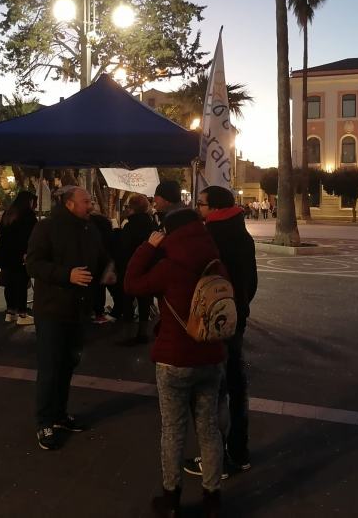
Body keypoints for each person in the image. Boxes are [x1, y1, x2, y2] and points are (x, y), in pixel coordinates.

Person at [125, 208, 226, 517]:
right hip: (210, 356)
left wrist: (148, 247)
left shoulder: (168, 266)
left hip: (174, 359)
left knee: (173, 429)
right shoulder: (216, 262)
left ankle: (171, 499)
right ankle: (212, 498)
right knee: (209, 428)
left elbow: (131, 284)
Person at [26, 186, 110, 451]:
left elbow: (99, 257)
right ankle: (45, 422)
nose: (92, 205)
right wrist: (67, 275)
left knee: (68, 365)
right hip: (52, 310)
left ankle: (60, 415)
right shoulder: (47, 228)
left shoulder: (90, 228)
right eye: (86, 201)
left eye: (91, 200)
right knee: (50, 367)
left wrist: (108, 269)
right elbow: (34, 264)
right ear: (70, 204)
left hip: (79, 310)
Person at [184, 186, 257, 481]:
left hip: (214, 325)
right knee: (236, 387)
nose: (198, 209)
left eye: (200, 204)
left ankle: (217, 460)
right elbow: (251, 283)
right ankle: (239, 453)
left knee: (214, 391)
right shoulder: (243, 235)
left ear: (214, 208)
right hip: (236, 320)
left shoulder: (210, 237)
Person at [116, 193, 157, 345]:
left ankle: (128, 335)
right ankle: (143, 333)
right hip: (148, 267)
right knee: (144, 301)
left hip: (130, 267)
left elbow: (123, 249)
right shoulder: (152, 224)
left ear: (132, 208)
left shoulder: (129, 226)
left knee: (127, 300)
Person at [0, 191, 37, 325]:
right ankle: (23, 314)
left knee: (10, 284)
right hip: (20, 253)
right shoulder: (28, 215)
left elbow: (1, 230)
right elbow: (32, 235)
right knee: (21, 284)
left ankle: (10, 312)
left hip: (5, 253)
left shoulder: (9, 213)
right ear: (29, 201)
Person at [89, 209, 119, 324]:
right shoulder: (108, 233)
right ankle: (99, 313)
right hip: (105, 263)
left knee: (96, 288)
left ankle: (97, 312)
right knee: (100, 287)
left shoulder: (93, 234)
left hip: (96, 263)